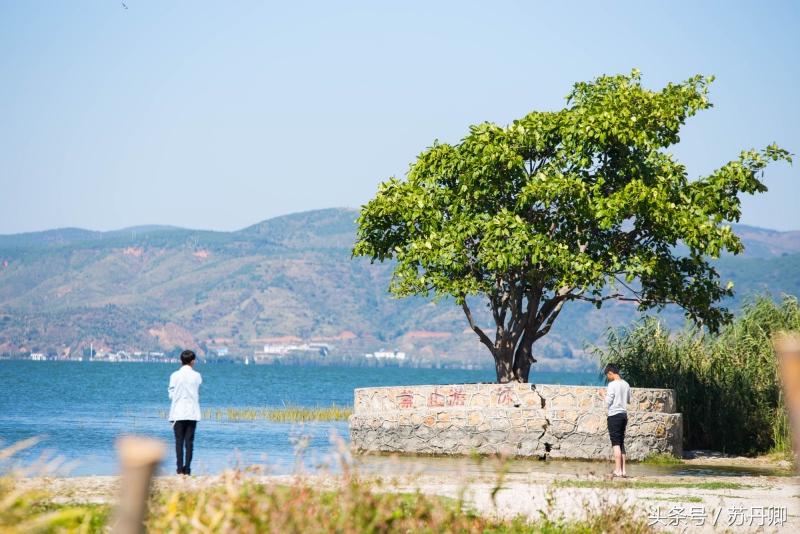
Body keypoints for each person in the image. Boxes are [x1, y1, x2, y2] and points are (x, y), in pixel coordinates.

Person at [168, 349, 202, 475]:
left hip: (177, 412)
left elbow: (171, 395)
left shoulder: (174, 375)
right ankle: (187, 469)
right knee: (189, 442)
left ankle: (179, 469)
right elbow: (197, 391)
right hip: (192, 412)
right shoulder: (197, 376)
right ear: (192, 361)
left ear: (181, 361)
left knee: (179, 442)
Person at [604, 363, 631, 477]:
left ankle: (617, 470)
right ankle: (623, 470)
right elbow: (628, 400)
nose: (607, 377)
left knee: (615, 443)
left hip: (614, 415)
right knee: (621, 443)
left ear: (611, 372)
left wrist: (602, 395)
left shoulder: (612, 385)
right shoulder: (626, 384)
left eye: (607, 375)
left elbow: (607, 402)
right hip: (623, 415)